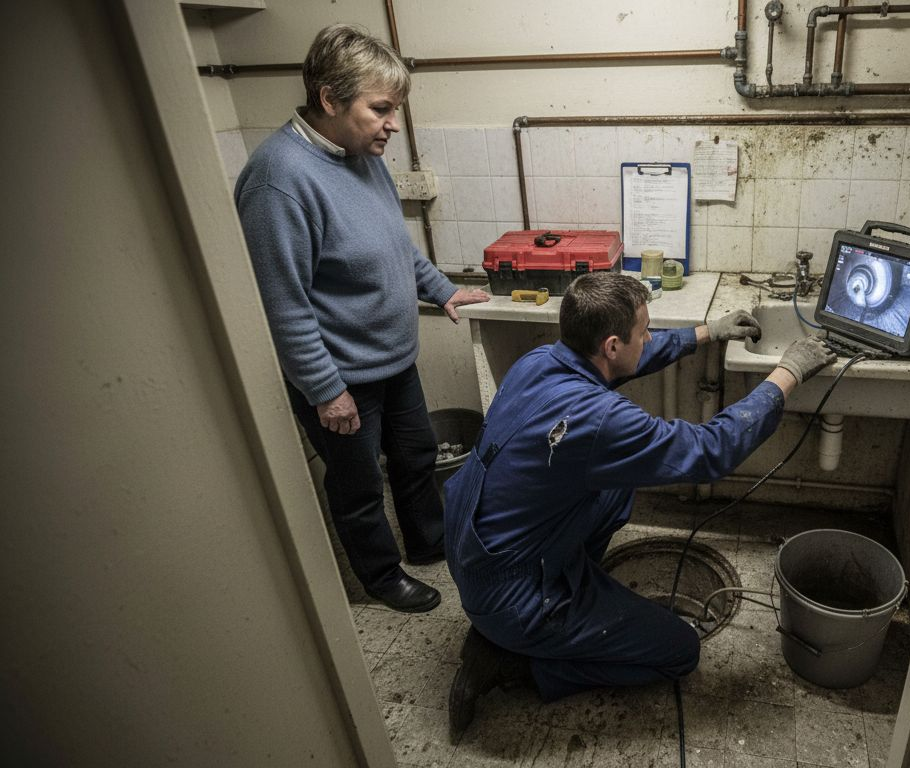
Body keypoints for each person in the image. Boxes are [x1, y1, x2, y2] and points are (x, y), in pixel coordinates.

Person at [441, 271, 836, 742]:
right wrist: (787, 372)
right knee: (679, 652)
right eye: (643, 331)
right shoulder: (600, 421)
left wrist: (707, 332)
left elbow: (629, 359)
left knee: (614, 488)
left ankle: (560, 603)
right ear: (610, 345)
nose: (649, 338)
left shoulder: (541, 360)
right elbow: (710, 450)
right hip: (514, 595)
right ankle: (520, 664)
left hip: (475, 550)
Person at [234, 24, 489, 613]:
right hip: (340, 374)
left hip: (393, 359)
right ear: (329, 99)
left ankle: (429, 544)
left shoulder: (359, 153)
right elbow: (283, 303)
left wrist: (441, 289)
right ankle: (380, 576)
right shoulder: (278, 182)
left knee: (417, 455)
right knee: (357, 485)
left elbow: (393, 245)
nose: (392, 125)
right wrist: (326, 391)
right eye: (380, 109)